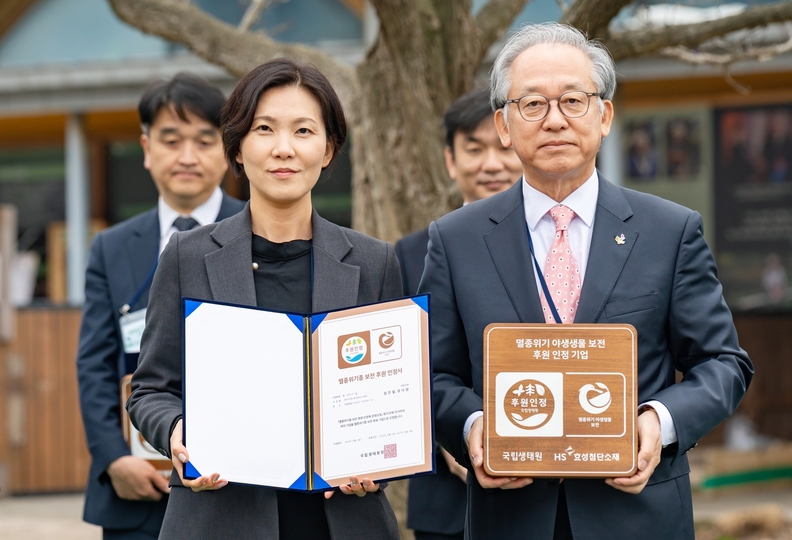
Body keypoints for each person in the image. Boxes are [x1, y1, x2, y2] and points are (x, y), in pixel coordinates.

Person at [420, 23, 753, 540]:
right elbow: (434, 375)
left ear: (605, 116)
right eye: (533, 104)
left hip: (639, 515)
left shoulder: (669, 231)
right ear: (504, 125)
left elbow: (723, 363)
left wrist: (659, 421)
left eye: (573, 100)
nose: (555, 120)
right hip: (510, 517)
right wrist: (472, 427)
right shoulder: (455, 238)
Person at [127, 58, 401, 539]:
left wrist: (380, 459)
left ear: (328, 148)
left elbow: (397, 397)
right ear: (237, 147)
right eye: (264, 129)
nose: (283, 148)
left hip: (340, 519)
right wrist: (176, 431)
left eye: (303, 131)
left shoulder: (374, 262)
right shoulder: (187, 256)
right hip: (219, 515)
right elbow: (151, 389)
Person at [76, 73, 246, 539]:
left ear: (228, 151)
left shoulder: (261, 230)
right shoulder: (111, 247)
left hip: (240, 487)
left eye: (204, 141)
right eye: (171, 140)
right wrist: (114, 457)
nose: (187, 156)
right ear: (147, 149)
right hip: (138, 490)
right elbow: (94, 363)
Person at [396, 88, 522, 540]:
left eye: (504, 147)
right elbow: (403, 367)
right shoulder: (410, 253)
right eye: (474, 149)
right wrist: (449, 440)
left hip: (546, 486)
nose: (492, 164)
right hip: (447, 496)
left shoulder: (557, 243)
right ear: (451, 161)